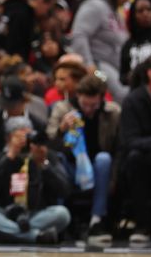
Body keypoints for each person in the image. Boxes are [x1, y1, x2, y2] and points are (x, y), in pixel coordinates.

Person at [0, 119, 71, 244]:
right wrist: (10, 157)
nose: (25, 141)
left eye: (28, 136)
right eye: (19, 136)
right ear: (8, 139)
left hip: (36, 214)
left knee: (62, 214)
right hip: (4, 213)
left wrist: (43, 165)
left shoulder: (46, 156)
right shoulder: (0, 157)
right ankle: (34, 236)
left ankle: (3, 233)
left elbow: (64, 190)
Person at [46, 75, 120, 243]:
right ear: (78, 96)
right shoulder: (62, 108)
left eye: (93, 105)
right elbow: (47, 145)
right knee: (58, 161)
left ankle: (96, 221)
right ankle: (60, 221)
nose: (88, 109)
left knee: (104, 159)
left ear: (101, 99)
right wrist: (61, 130)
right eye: (84, 104)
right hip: (70, 166)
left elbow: (119, 149)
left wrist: (114, 180)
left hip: (98, 170)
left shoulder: (113, 112)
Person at [120, 52, 151, 243]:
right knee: (135, 158)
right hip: (140, 158)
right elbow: (128, 142)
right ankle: (142, 225)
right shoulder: (133, 100)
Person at [70, 0, 133, 103]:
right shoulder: (95, 5)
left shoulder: (114, 11)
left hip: (116, 65)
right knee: (122, 94)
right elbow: (79, 35)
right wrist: (88, 64)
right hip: (98, 65)